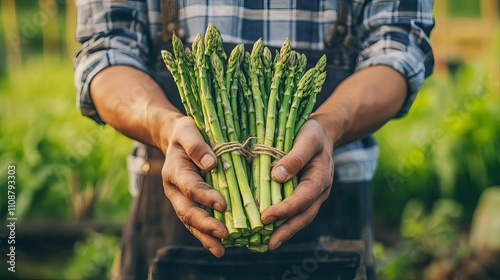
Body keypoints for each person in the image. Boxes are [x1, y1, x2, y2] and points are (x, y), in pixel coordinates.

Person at [74, 0, 434, 279]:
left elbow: (399, 48)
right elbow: (106, 51)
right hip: (168, 205)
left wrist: (330, 123)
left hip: (334, 199)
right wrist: (164, 125)